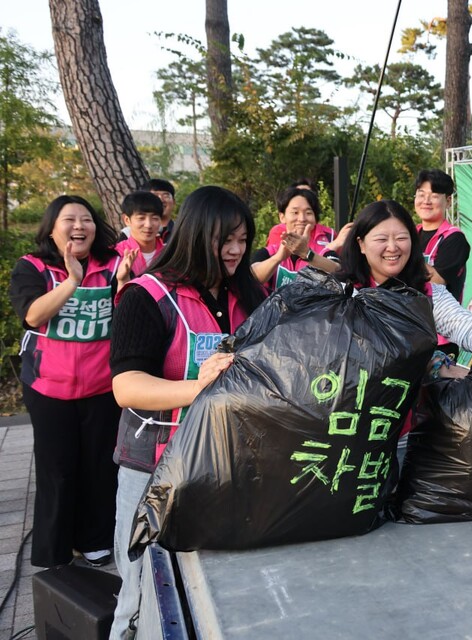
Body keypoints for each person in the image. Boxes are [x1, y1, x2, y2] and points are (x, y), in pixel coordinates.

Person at [109, 186, 266, 639]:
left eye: (243, 239)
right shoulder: (147, 295)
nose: (236, 250)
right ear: (199, 235)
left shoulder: (247, 292)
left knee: (208, 587)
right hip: (155, 465)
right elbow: (126, 386)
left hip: (224, 463)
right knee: (140, 592)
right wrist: (196, 387)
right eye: (226, 240)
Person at [8, 195, 135, 568]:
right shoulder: (31, 267)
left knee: (99, 466)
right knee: (58, 469)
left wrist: (124, 283)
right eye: (70, 219)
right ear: (51, 228)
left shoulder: (113, 263)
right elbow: (33, 315)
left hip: (101, 386)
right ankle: (53, 550)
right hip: (48, 387)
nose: (80, 226)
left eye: (87, 219)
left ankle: (95, 539)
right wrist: (73, 281)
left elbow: (128, 315)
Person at [335, 200, 472, 380]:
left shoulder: (427, 293)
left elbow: (467, 327)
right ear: (361, 244)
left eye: (401, 238)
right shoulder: (341, 292)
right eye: (381, 239)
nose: (392, 247)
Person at [414, 169, 471, 357]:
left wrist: (406, 253)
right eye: (421, 195)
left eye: (434, 195)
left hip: (441, 339)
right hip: (410, 331)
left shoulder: (454, 239)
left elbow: (437, 281)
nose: (426, 201)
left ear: (448, 201)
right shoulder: (410, 234)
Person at [251, 185, 349, 290]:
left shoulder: (325, 251)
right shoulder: (270, 253)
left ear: (315, 219)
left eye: (308, 213)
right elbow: (251, 277)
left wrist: (306, 254)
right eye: (295, 212)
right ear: (282, 217)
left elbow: (338, 270)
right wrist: (278, 258)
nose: (302, 219)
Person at [113, 191, 164, 277]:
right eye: (141, 218)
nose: (148, 225)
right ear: (127, 220)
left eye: (155, 218)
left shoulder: (170, 254)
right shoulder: (114, 255)